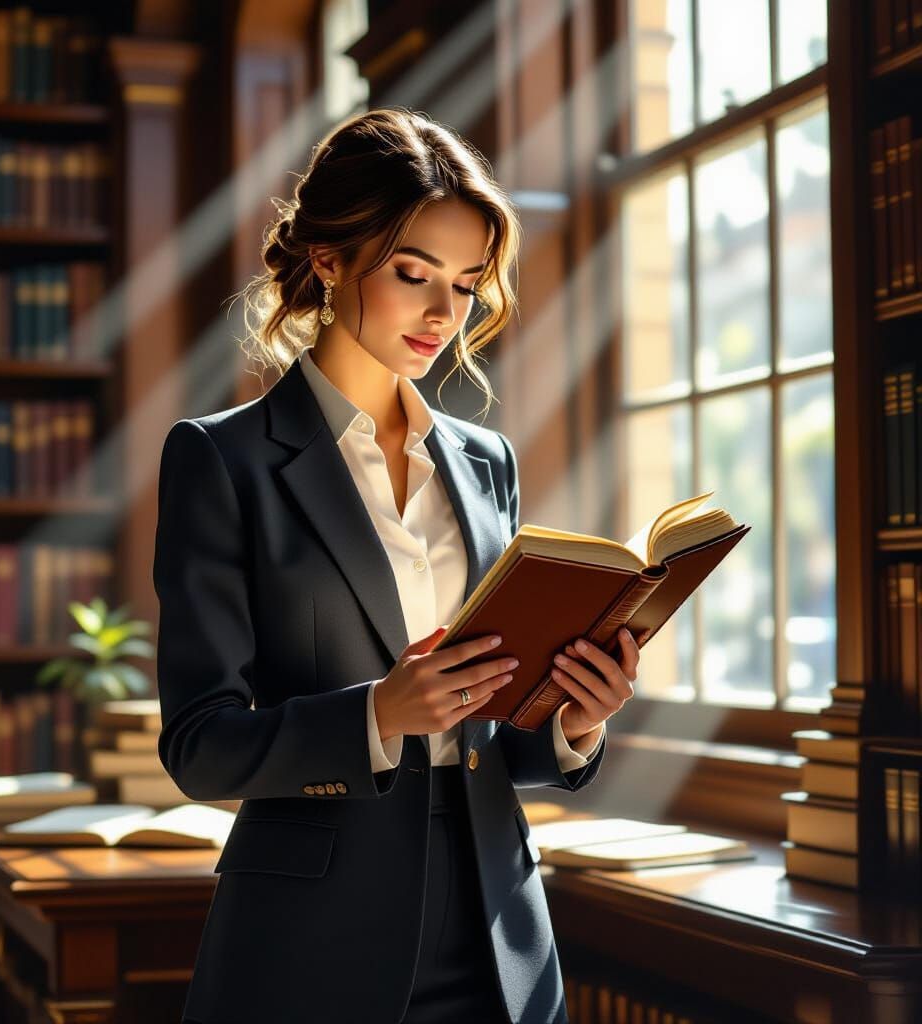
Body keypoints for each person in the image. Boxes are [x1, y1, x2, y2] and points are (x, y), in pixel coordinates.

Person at [153, 107, 642, 1024]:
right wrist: (378, 713)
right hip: (310, 949)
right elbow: (199, 745)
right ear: (328, 260)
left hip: (501, 937)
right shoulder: (223, 461)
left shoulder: (484, 461)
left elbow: (495, 741)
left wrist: (575, 717)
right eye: (412, 273)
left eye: (463, 285)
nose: (440, 314)